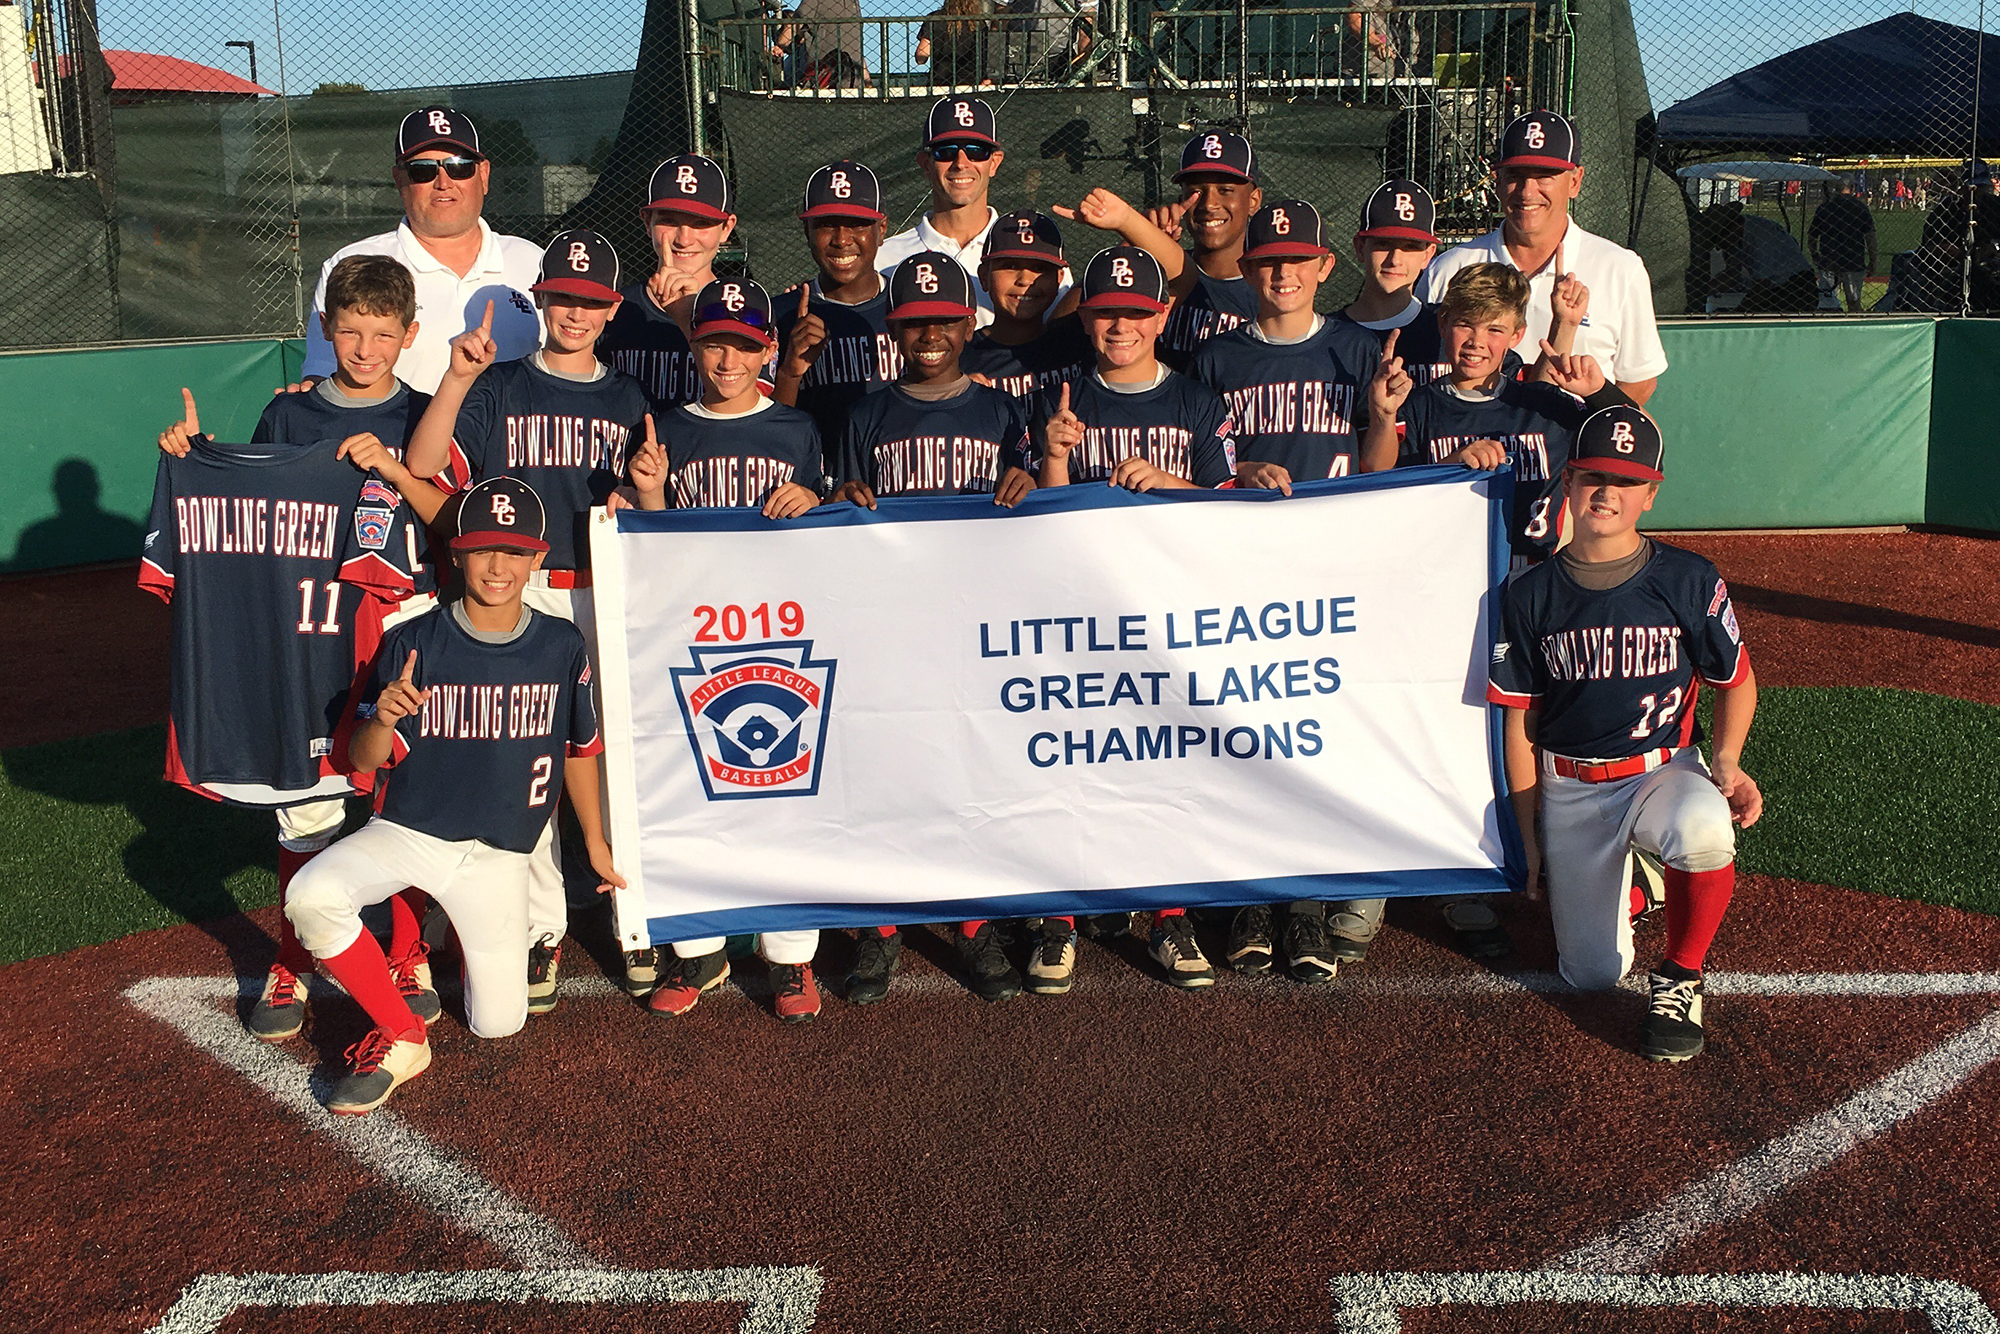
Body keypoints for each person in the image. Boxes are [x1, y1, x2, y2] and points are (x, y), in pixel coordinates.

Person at [155, 255, 446, 1042]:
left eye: (382, 334)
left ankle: (408, 951)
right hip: (308, 631)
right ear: (325, 330)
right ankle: (295, 953)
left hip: (396, 626)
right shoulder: (287, 415)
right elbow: (250, 514)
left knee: (399, 798)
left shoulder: (426, 413)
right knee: (305, 800)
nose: (364, 348)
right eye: (349, 331)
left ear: (408, 334)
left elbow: (447, 521)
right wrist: (193, 455)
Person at [285, 477, 622, 1114]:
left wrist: (596, 844)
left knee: (498, 1024)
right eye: (483, 550)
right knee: (312, 896)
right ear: (458, 554)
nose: (499, 567)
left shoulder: (559, 644)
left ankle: (439, 931)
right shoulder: (414, 638)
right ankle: (402, 1032)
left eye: (515, 552)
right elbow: (358, 759)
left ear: (538, 559)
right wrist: (380, 720)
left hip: (498, 855)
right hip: (409, 834)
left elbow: (581, 748)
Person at [404, 229, 651, 1010]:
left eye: (590, 302)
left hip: (599, 591)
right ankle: (542, 929)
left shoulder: (630, 397)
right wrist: (455, 377)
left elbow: (652, 503)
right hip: (518, 593)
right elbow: (422, 465)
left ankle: (631, 921)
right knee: (525, 770)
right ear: (541, 300)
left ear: (611, 311)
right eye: (562, 298)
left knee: (616, 765)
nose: (574, 313)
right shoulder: (502, 384)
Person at [1488, 406, 1762, 1062]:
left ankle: (1683, 975)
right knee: (1591, 974)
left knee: (1702, 829)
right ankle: (1644, 887)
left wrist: (1726, 760)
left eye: (1626, 480)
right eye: (1593, 477)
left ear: (1651, 492)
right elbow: (1520, 720)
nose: (1607, 492)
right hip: (1569, 786)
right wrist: (1525, 835)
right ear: (1569, 481)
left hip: (1661, 771)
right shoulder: (1528, 595)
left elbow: (1737, 679)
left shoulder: (1687, 578)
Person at [1028, 245, 1239, 992]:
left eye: (1136, 311)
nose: (1121, 324)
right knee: (1068, 758)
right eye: (1106, 311)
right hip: (1077, 614)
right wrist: (1054, 460)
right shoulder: (1057, 396)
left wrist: (1169, 483)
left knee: (1168, 764)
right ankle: (1059, 919)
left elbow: (1227, 509)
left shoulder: (1195, 401)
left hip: (1169, 614)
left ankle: (1168, 916)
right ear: (1085, 317)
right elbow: (1036, 522)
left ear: (1163, 314)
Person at [618, 278, 828, 1022]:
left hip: (778, 628)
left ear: (766, 348)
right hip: (694, 629)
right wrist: (645, 495)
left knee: (782, 787)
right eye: (714, 342)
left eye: (744, 343)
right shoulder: (666, 426)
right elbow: (653, 541)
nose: (728, 358)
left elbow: (823, 538)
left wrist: (813, 501)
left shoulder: (795, 429)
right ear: (694, 345)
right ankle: (698, 950)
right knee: (692, 789)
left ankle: (790, 959)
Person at [832, 252, 1037, 1004]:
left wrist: (1031, 485)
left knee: (972, 774)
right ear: (896, 329)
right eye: (914, 322)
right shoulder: (867, 412)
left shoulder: (1002, 412)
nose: (929, 333)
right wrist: (845, 498)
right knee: (888, 776)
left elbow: (1035, 517)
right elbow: (842, 507)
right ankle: (880, 932)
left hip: (978, 622)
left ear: (966, 323)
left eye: (943, 320)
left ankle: (974, 926)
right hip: (890, 621)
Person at [1369, 262, 1636, 562]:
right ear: (1443, 324)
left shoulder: (1543, 405)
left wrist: (1598, 392)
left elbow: (1635, 435)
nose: (1476, 341)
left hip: (1531, 573)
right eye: (1465, 324)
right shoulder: (1418, 405)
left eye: (1494, 329)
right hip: (1445, 570)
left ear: (1516, 336)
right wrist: (1450, 463)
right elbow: (1382, 483)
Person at [1418, 111, 1667, 406]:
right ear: (1497, 182)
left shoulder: (1619, 268)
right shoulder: (1450, 268)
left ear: (1575, 181)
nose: (1527, 192)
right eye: (1516, 176)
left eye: (1544, 176)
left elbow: (1638, 382)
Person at [300, 108, 544, 395]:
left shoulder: (535, 263)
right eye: (423, 170)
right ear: (399, 179)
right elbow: (323, 381)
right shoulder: (351, 266)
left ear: (484, 175)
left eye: (459, 166)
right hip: (394, 440)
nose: (443, 182)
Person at [1189, 199, 1388, 492]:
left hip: (1337, 521)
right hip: (1250, 521)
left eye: (1298, 259)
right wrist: (1243, 470)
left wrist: (1384, 416)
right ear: (1247, 270)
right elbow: (1195, 464)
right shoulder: (1216, 358)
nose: (1284, 272)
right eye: (1269, 260)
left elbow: (1379, 467)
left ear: (1325, 266)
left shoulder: (1356, 348)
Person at [600, 155, 770, 418]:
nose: (684, 239)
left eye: (701, 223)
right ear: (647, 222)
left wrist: (687, 320)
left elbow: (753, 414)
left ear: (727, 228)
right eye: (669, 221)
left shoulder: (749, 309)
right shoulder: (616, 310)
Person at [773, 161, 900, 457]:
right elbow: (763, 430)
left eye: (857, 224)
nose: (842, 240)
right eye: (827, 224)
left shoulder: (909, 306)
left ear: (881, 228)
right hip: (812, 490)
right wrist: (790, 374)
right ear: (806, 230)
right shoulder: (780, 315)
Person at [875, 97, 1026, 327]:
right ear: (925, 164)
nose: (961, 163)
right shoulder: (883, 260)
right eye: (946, 152)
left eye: (977, 151)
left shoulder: (1031, 254)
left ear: (994, 163)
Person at [1148, 132, 1264, 370]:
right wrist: (1136, 241)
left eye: (1225, 190)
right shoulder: (1156, 275)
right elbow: (1068, 327)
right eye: (1196, 191)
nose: (1209, 204)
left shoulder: (1271, 287)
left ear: (1253, 201)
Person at [962, 210, 1093, 400]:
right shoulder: (961, 358)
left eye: (1040, 268)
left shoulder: (1079, 339)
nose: (1025, 280)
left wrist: (1126, 223)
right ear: (984, 276)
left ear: (1059, 279)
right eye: (1011, 266)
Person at [1808, 181, 1877, 313]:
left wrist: (1815, 255)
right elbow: (1870, 237)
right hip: (1853, 260)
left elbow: (1812, 236)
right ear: (1852, 187)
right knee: (1854, 301)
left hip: (1829, 259)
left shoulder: (1825, 207)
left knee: (1827, 303)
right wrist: (1873, 260)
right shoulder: (1860, 207)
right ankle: (1855, 324)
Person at [777, 0, 871, 89]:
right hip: (854, 84)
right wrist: (868, 83)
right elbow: (856, 48)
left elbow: (786, 38)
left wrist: (780, 44)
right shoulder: (853, 3)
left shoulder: (814, 2)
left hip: (824, 83)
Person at [915, 0, 998, 88]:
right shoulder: (978, 23)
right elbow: (985, 56)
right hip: (971, 82)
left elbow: (922, 54)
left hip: (940, 82)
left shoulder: (935, 18)